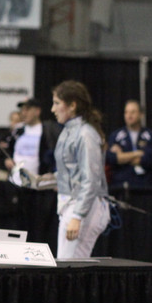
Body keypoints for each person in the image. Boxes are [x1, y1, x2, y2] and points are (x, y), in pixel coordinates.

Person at [51, 80, 112, 259]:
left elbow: (91, 179)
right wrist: (35, 181)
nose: (53, 109)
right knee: (66, 264)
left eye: (57, 103)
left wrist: (78, 216)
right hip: (72, 205)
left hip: (85, 207)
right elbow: (66, 175)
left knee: (69, 266)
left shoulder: (86, 134)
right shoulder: (68, 131)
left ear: (72, 105)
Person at [5, 97, 58, 185]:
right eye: (22, 110)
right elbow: (7, 148)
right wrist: (7, 159)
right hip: (16, 182)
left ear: (37, 111)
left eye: (27, 110)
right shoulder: (18, 130)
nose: (23, 113)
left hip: (39, 183)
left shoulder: (47, 130)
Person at [106, 100, 152, 188]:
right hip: (121, 184)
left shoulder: (150, 135)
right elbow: (112, 159)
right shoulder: (116, 136)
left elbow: (149, 159)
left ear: (141, 114)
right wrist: (138, 153)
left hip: (144, 184)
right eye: (126, 112)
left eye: (133, 112)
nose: (129, 116)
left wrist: (123, 156)